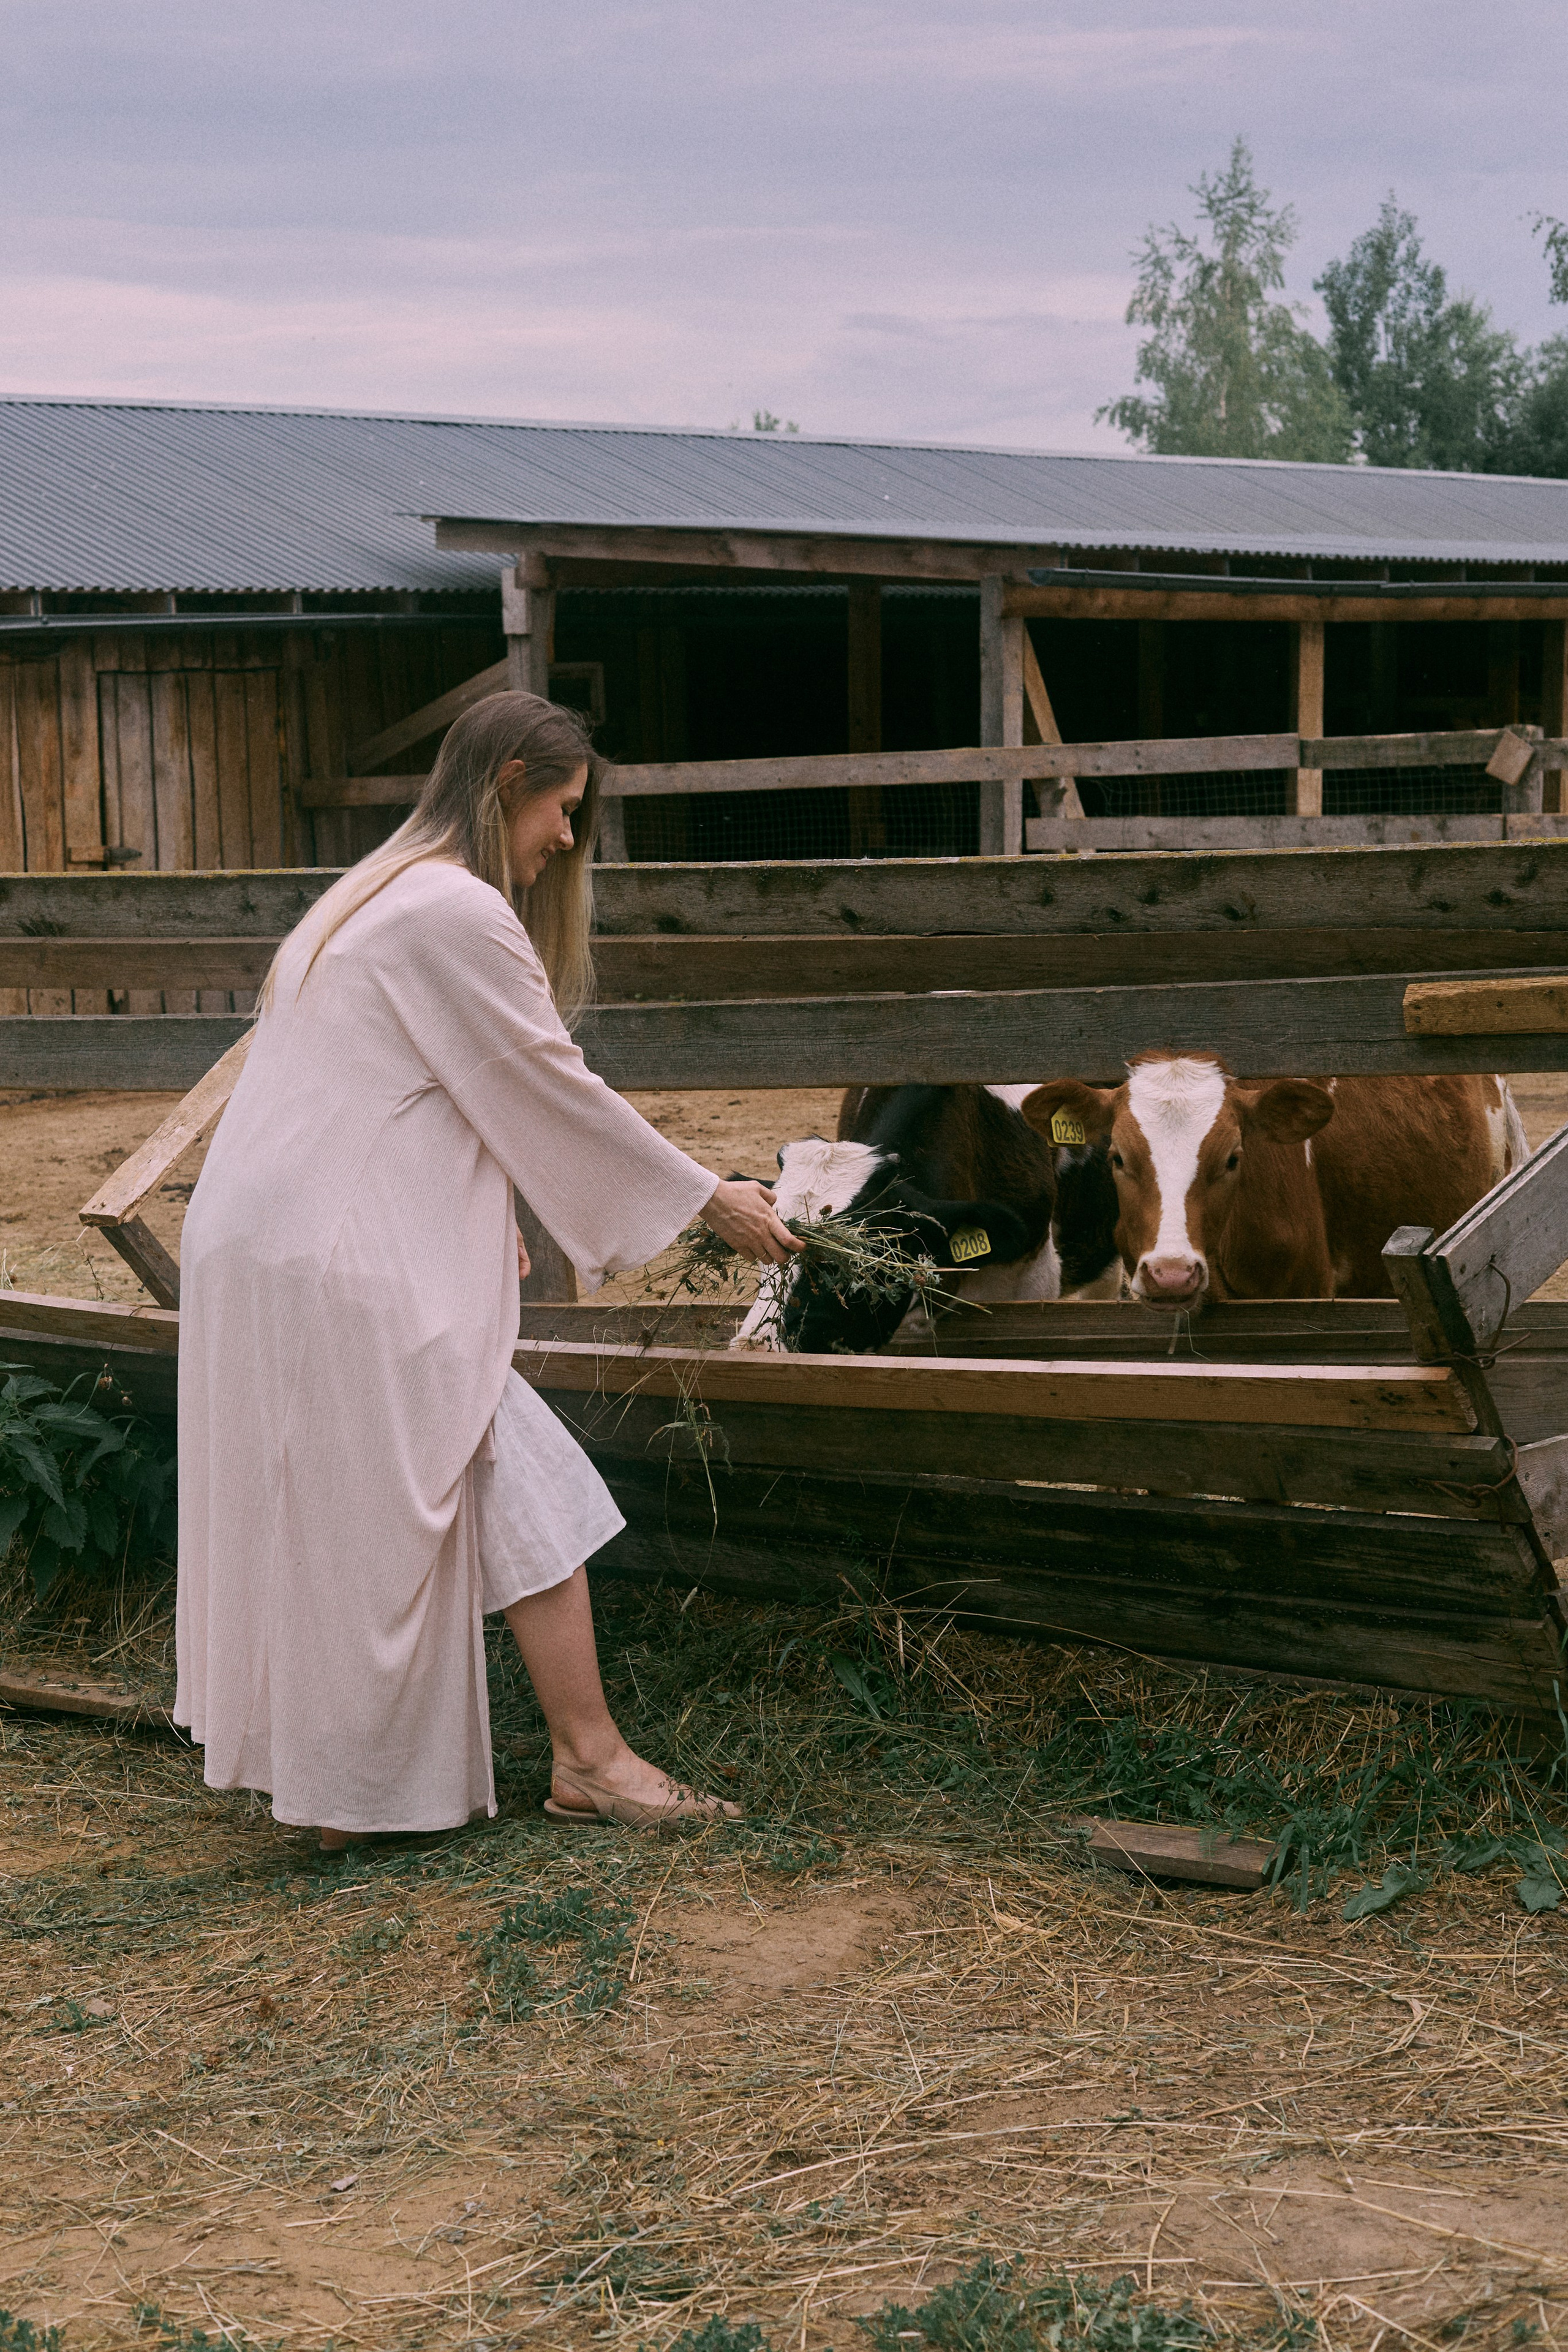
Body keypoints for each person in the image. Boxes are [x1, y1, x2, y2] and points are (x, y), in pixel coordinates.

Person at [175, 692, 801, 1849]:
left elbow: (399, 1089)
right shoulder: (451, 908)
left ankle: (468, 1771)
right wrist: (706, 1198)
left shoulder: (365, 892)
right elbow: (544, 1082)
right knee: (440, 1474)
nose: (569, 839)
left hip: (272, 1241)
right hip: (340, 1256)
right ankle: (544, 1766)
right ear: (511, 779)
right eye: (564, 808)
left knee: (408, 1486)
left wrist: (472, 1211)